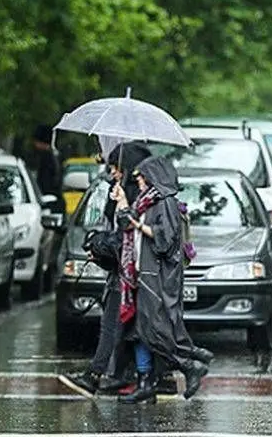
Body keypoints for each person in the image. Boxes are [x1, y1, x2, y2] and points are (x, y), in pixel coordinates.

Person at [57, 143, 151, 398]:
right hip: (121, 271)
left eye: (117, 168)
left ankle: (96, 376)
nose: (113, 173)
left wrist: (121, 206)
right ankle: (131, 377)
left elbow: (126, 236)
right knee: (128, 328)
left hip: (130, 275)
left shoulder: (137, 197)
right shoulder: (118, 191)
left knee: (114, 325)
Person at [115, 155, 208, 404]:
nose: (139, 182)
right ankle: (146, 381)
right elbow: (129, 223)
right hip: (140, 273)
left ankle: (189, 364)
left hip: (155, 277)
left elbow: (164, 240)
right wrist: (123, 202)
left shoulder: (164, 202)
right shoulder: (146, 201)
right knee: (138, 330)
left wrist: (136, 223)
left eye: (141, 177)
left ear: (153, 177)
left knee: (153, 329)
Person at [32, 124, 65, 214]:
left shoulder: (46, 159)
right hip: (56, 202)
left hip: (49, 205)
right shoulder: (56, 156)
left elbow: (45, 183)